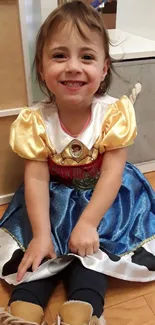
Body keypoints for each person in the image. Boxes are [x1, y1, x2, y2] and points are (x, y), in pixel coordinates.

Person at [0, 1, 155, 324]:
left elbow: (113, 172)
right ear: (41, 68)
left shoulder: (113, 114)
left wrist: (87, 223)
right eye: (59, 55)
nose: (73, 66)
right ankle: (25, 301)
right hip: (53, 195)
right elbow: (37, 178)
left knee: (94, 250)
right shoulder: (36, 120)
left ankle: (83, 307)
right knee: (39, 246)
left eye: (86, 56)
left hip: (106, 198)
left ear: (104, 69)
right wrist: (42, 233)